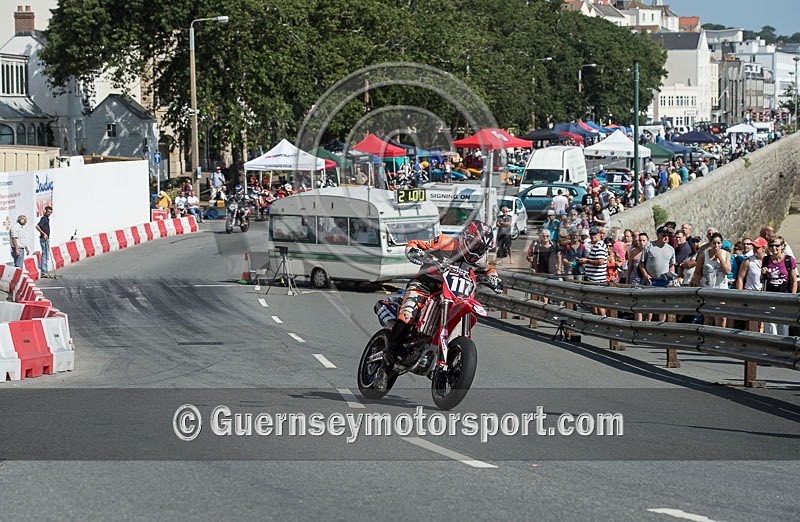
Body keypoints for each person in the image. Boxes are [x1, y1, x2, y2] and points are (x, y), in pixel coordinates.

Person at [381, 221, 500, 371]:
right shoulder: (445, 242)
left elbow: (489, 269)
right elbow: (416, 244)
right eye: (476, 246)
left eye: (482, 248)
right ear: (466, 239)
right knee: (407, 316)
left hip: (455, 295)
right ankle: (389, 356)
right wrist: (415, 251)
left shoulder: (480, 259)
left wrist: (494, 278)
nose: (478, 251)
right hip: (425, 286)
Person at [762, 237, 798, 336]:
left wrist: (792, 297)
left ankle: (783, 347)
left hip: (784, 297)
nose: (774, 248)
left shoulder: (788, 260)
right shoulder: (766, 260)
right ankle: (772, 347)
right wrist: (763, 272)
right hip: (769, 297)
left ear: (782, 246)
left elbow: (794, 281)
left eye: (777, 246)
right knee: (770, 325)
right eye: (771, 246)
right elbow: (762, 279)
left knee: (783, 326)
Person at [35, 206, 53, 277]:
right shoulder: (43, 218)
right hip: (44, 239)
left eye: (50, 212)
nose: (49, 213)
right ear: (45, 211)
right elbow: (37, 226)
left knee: (46, 255)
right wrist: (43, 233)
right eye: (48, 212)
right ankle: (44, 271)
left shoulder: (47, 219)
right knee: (45, 254)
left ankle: (45, 270)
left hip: (46, 239)